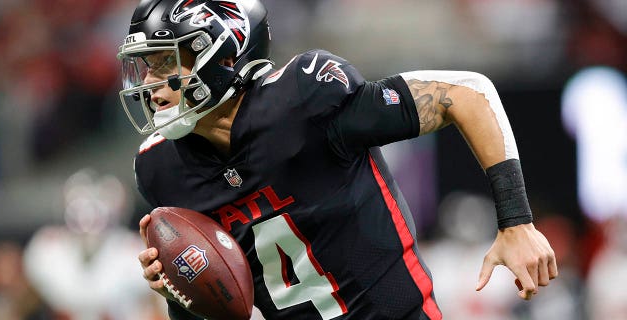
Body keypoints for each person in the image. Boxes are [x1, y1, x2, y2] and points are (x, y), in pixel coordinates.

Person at [116, 0, 558, 319]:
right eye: (146, 67)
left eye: (163, 63)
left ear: (224, 57)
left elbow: (466, 94)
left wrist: (516, 220)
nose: (150, 85)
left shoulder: (304, 98)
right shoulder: (161, 168)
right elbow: (220, 303)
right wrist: (179, 289)